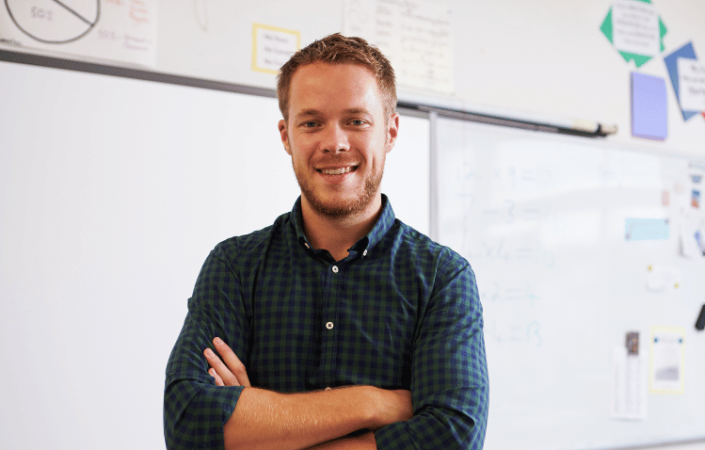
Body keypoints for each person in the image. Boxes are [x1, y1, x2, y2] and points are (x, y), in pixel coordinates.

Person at [163, 33, 489, 450]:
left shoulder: (442, 277)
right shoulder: (234, 266)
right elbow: (188, 425)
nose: (334, 143)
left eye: (356, 120)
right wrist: (373, 403)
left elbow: (453, 438)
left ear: (390, 132)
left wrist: (260, 429)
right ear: (286, 135)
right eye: (312, 122)